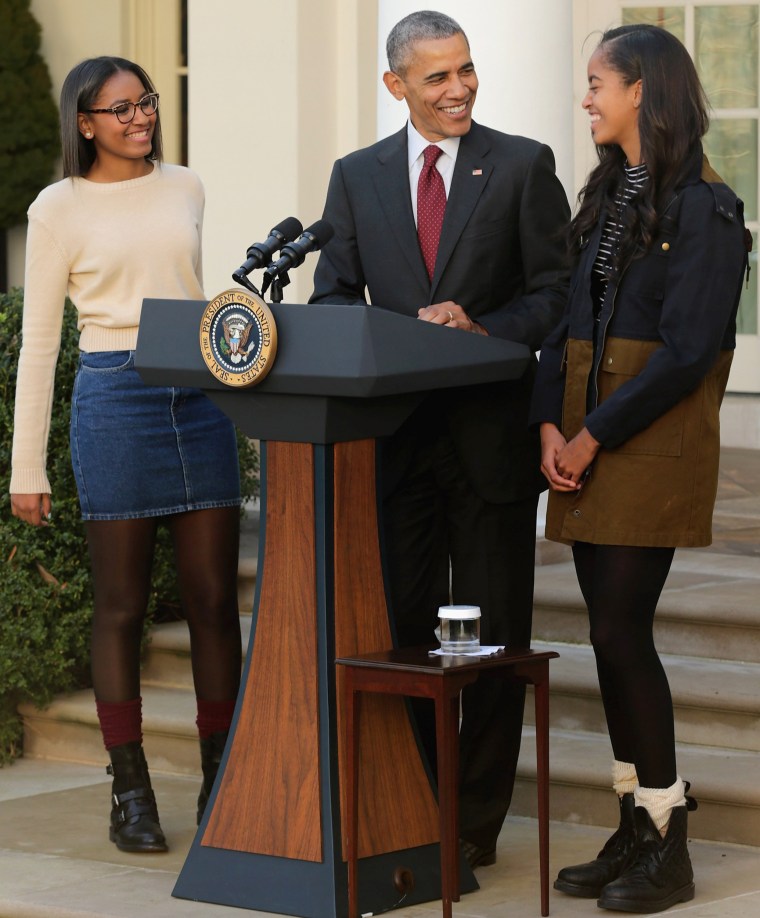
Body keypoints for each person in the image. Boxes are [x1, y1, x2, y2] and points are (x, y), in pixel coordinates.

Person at [310, 11, 570, 868]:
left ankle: (471, 827)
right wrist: (398, 331)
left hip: (490, 449)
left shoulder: (524, 165)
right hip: (396, 449)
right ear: (397, 87)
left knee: (491, 642)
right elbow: (333, 299)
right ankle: (417, 807)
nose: (457, 88)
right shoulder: (356, 178)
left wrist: (481, 324)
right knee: (409, 642)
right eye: (436, 78)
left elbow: (556, 297)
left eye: (465, 70)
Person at [531, 25, 748, 913]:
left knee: (623, 635)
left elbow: (691, 349)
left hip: (644, 446)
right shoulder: (608, 193)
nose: (586, 98)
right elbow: (565, 317)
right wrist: (550, 419)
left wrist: (592, 434)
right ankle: (636, 821)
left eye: (596, 84)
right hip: (586, 437)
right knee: (609, 638)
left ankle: (668, 840)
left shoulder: (708, 207)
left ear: (642, 93)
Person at [10, 57, 243, 853]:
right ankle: (131, 791)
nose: (140, 116)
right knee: (120, 604)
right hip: (113, 397)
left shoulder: (186, 186)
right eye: (120, 109)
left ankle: (223, 778)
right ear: (85, 123)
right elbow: (41, 344)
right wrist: (26, 467)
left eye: (144, 102)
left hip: (199, 391)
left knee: (214, 599)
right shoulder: (57, 208)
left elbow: (192, 290)